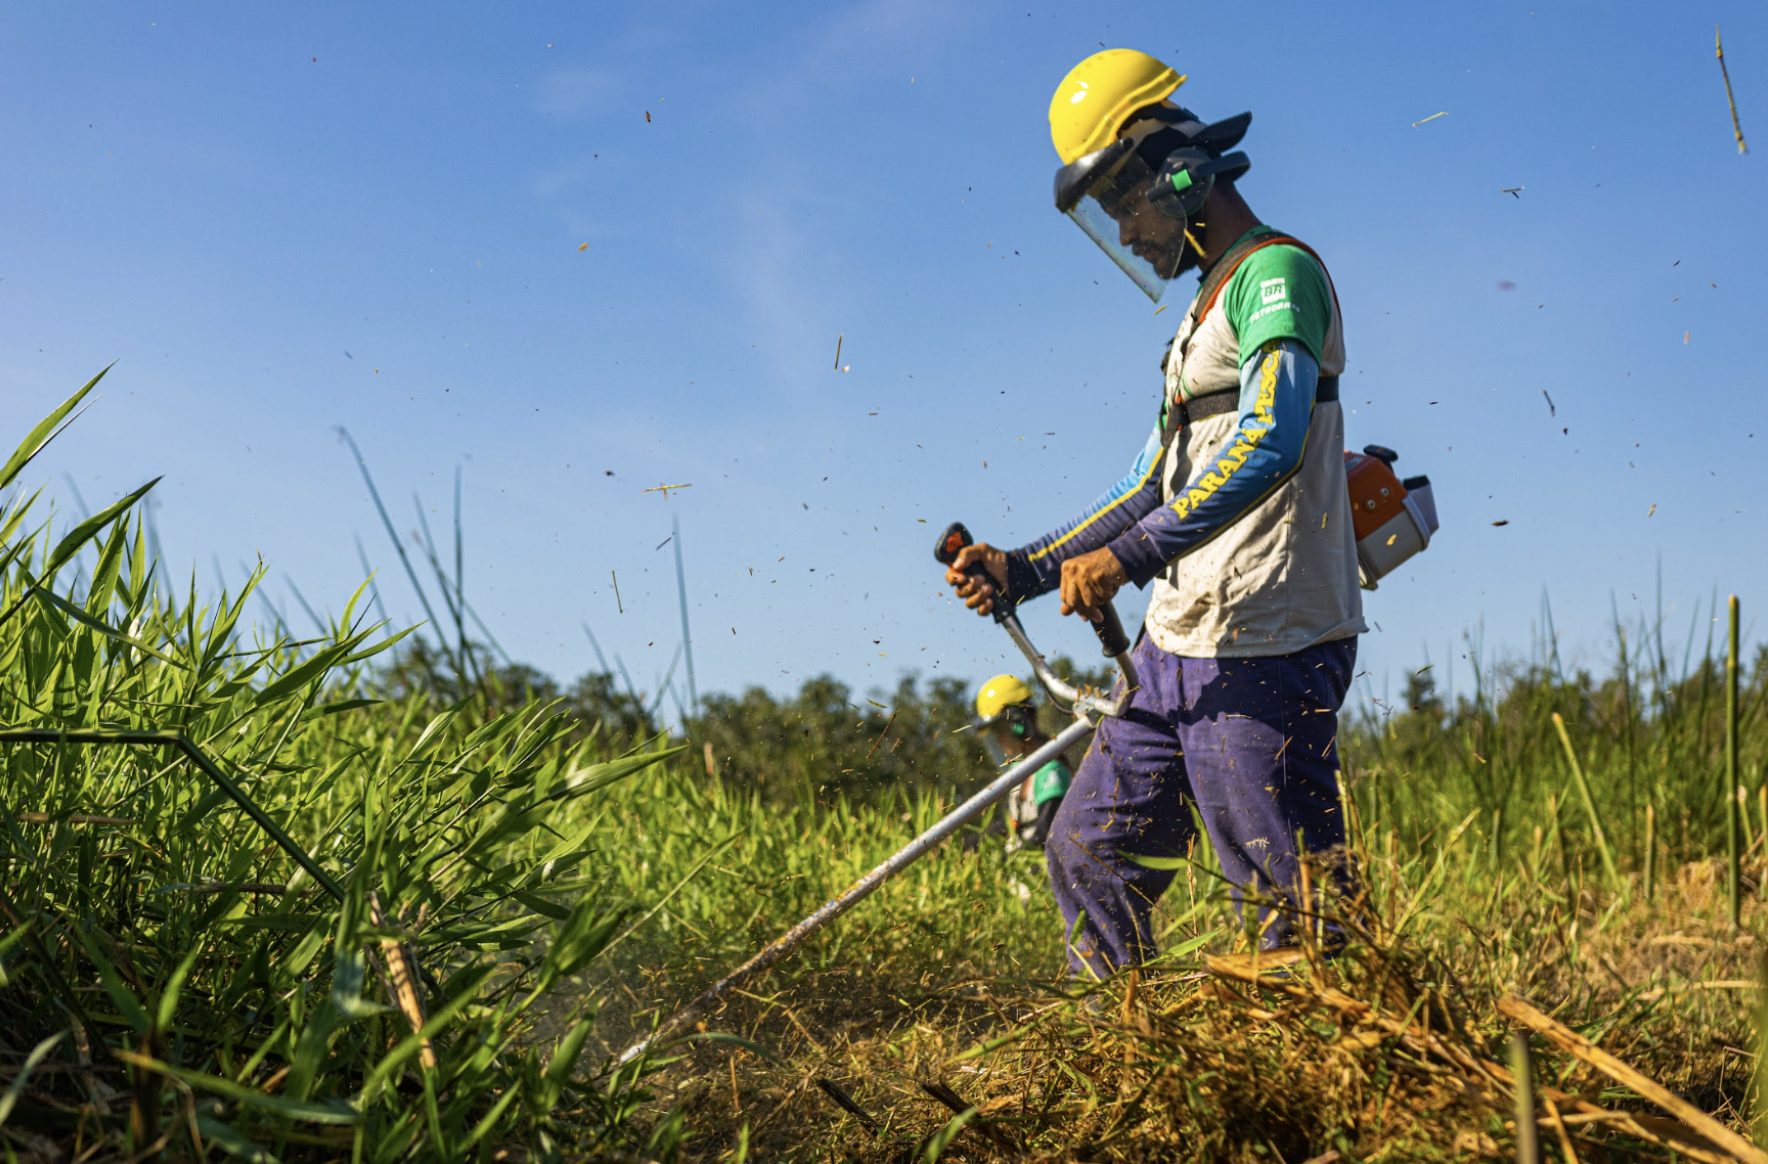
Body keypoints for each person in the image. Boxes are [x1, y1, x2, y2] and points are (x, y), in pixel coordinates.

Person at [943, 49, 1362, 978]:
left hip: (1268, 638)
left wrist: (1129, 559)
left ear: (1176, 173)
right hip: (1176, 647)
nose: (1128, 236)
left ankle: (1346, 1090)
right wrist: (1024, 566)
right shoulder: (1193, 324)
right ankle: (1129, 1057)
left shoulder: (1275, 276)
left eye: (1125, 207)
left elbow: (1273, 437)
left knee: (1293, 899)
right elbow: (1147, 488)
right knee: (1088, 853)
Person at [974, 673, 1072, 850]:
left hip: (1040, 872)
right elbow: (1010, 824)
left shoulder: (1050, 769)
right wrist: (972, 843)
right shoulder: (1020, 771)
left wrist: (1012, 859)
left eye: (999, 731)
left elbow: (1046, 832)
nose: (998, 740)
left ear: (1018, 724)